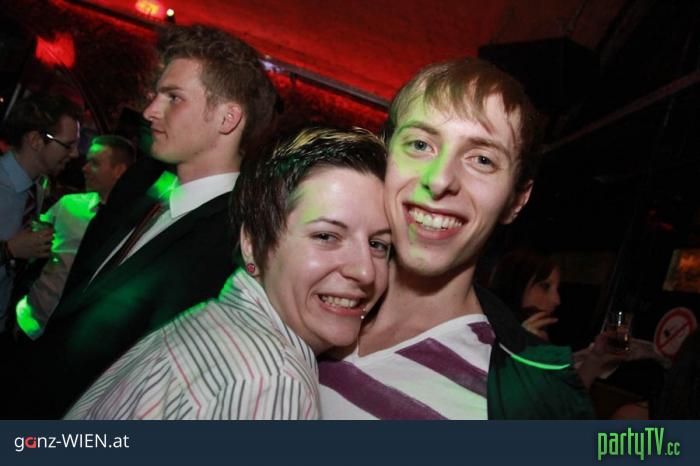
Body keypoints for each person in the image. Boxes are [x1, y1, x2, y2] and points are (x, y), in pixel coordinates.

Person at [6, 24, 277, 418]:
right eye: (157, 95)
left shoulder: (237, 248)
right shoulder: (141, 180)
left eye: (174, 98)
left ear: (227, 118)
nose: (150, 111)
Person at [319, 58, 594, 419]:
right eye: (420, 144)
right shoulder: (305, 290)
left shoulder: (529, 400)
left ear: (516, 200)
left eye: (482, 159)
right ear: (384, 156)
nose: (439, 179)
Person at [65, 127, 391, 420]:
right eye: (326, 236)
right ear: (253, 244)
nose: (365, 271)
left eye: (378, 244)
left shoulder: (210, 320)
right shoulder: (270, 382)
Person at [14, 135, 135, 339]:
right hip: (30, 320)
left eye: (94, 163)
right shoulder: (69, 205)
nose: (84, 168)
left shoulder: (130, 226)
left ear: (119, 171)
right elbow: (31, 241)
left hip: (74, 336)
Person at [489, 249, 629, 388]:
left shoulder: (540, 338)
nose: (557, 300)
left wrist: (595, 359)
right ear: (514, 286)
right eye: (545, 287)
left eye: (557, 289)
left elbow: (559, 397)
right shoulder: (486, 337)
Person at [0, 93, 81, 331]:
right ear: (36, 139)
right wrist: (9, 250)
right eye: (68, 145)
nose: (75, 153)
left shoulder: (37, 187)